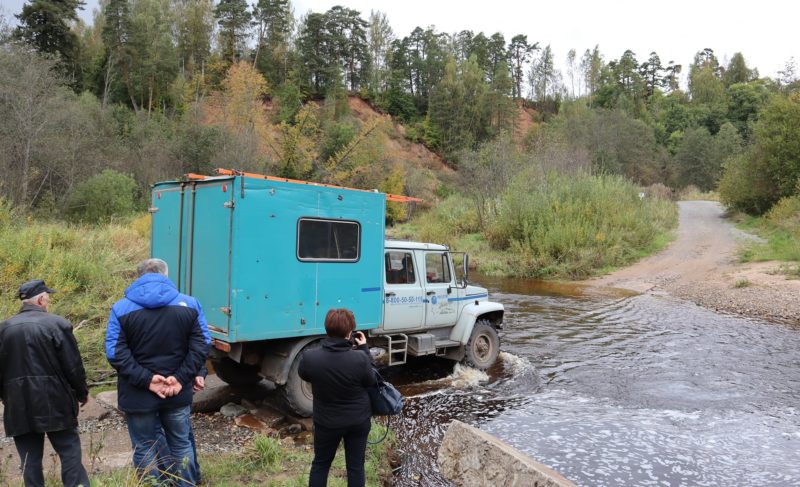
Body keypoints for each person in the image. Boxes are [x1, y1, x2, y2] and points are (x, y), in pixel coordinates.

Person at [105, 258, 210, 486]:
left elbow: (115, 353)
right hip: (176, 391)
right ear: (166, 274)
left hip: (138, 393)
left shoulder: (121, 308)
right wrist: (181, 378)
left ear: (139, 276)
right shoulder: (190, 304)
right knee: (181, 444)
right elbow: (202, 345)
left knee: (144, 446)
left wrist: (147, 380)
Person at [0, 279, 90, 487]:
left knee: (29, 458)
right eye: (47, 297)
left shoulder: (3, 329)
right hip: (55, 400)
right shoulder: (57, 324)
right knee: (69, 450)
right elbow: (73, 365)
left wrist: (6, 398)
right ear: (40, 300)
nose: (48, 301)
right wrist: (81, 393)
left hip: (18, 403)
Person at [299, 308, 377, 487]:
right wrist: (364, 349)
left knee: (321, 465)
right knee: (356, 467)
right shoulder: (360, 359)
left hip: (327, 422)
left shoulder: (310, 358)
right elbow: (371, 380)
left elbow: (304, 375)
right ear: (350, 332)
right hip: (358, 421)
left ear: (326, 329)